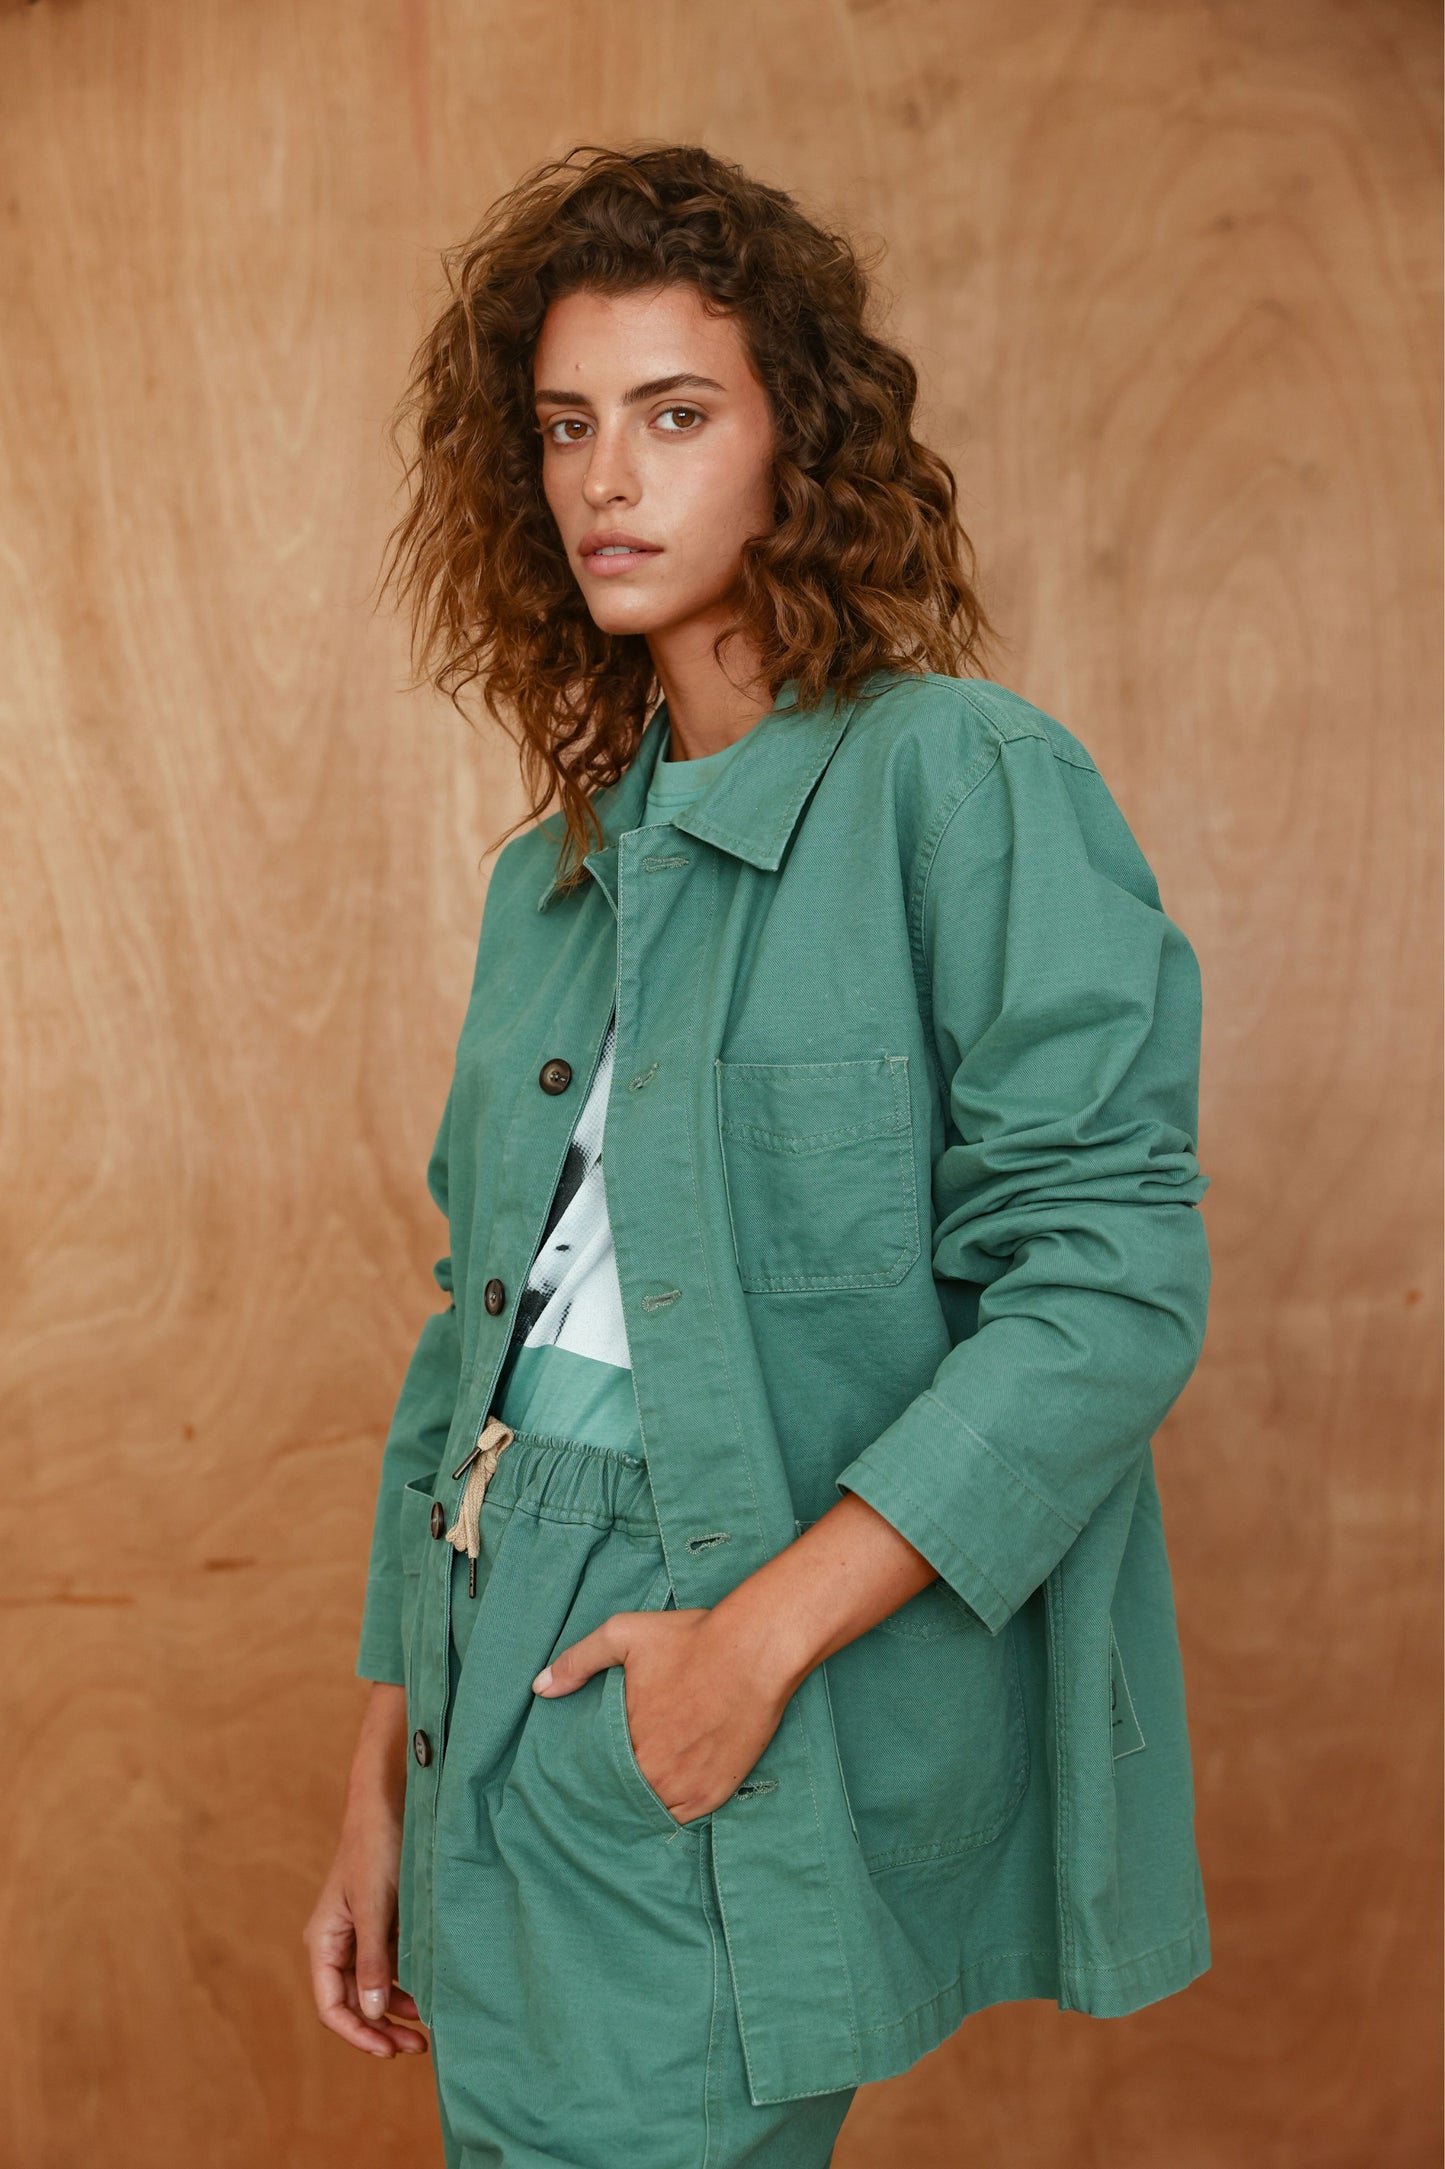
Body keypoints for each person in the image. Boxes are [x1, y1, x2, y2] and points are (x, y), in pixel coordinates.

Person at [303, 142, 1214, 2169]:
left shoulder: (956, 783)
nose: (606, 481)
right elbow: (466, 1339)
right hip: (481, 1641)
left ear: (798, 447)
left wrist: (756, 1639)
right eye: (566, 426)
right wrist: (386, 1763)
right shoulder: (550, 882)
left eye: (675, 415)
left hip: (716, 1622)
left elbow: (1110, 1287)